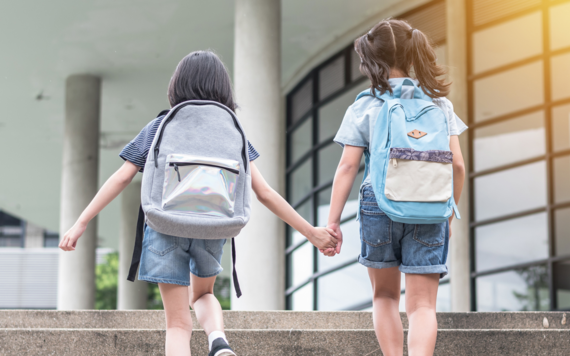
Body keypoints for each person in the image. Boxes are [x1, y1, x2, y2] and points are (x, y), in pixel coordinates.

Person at [58, 50, 338, 356]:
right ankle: (218, 339)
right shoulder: (235, 131)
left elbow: (121, 178)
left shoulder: (160, 126)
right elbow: (265, 192)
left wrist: (81, 221)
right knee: (203, 294)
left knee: (178, 325)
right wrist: (310, 231)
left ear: (176, 86)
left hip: (165, 227)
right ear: (223, 88)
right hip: (213, 228)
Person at [321, 19, 467, 356]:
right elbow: (457, 166)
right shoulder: (441, 104)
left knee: (385, 296)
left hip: (379, 204)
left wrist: (332, 221)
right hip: (430, 205)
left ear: (373, 61)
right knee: (422, 307)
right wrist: (447, 213)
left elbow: (347, 167)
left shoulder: (365, 105)